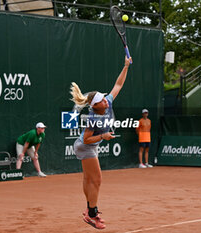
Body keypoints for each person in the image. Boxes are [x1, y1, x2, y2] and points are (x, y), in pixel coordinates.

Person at [70, 56, 132, 229]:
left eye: (105, 99)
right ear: (95, 106)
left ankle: (89, 208)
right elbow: (87, 139)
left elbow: (118, 85)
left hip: (90, 146)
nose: (106, 100)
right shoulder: (93, 117)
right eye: (102, 100)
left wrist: (126, 66)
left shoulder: (107, 104)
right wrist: (103, 137)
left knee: (89, 178)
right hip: (86, 146)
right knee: (96, 180)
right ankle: (92, 213)